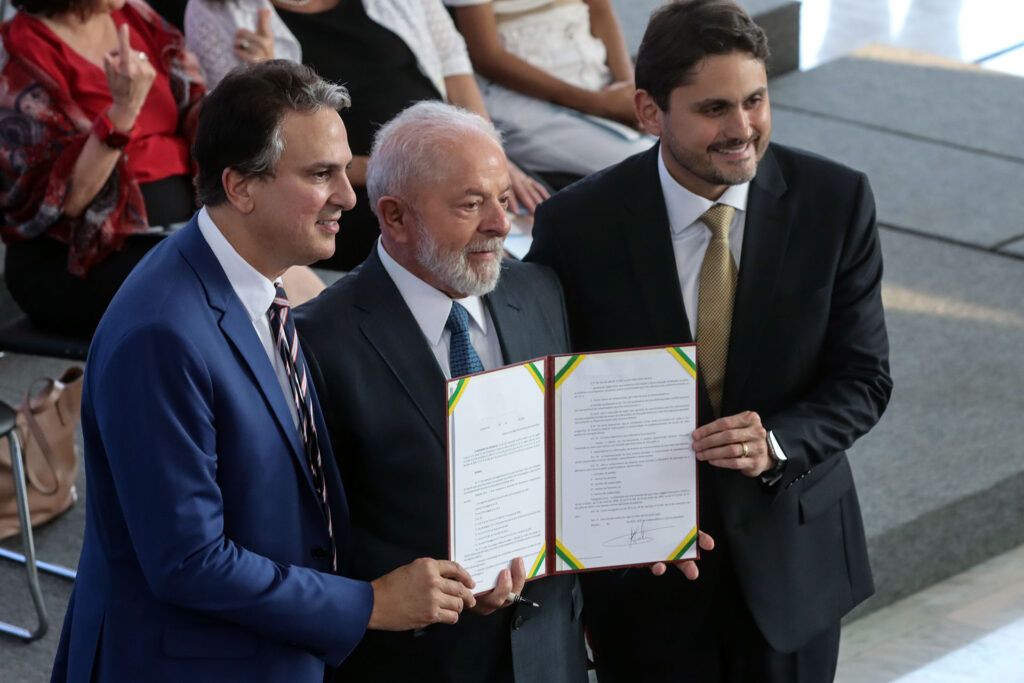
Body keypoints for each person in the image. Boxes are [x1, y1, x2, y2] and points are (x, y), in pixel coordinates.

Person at [50, 61, 477, 683]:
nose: (348, 197)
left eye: (343, 168)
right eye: (319, 175)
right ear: (241, 186)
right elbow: (189, 561)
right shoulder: (162, 334)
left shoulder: (260, 288)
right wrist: (372, 604)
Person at [527, 1, 893, 680]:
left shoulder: (835, 202)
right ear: (648, 111)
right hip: (644, 576)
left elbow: (864, 378)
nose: (743, 128)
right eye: (715, 108)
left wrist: (776, 442)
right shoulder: (577, 227)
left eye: (756, 100)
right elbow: (556, 396)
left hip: (793, 564)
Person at [294, 100, 588, 681]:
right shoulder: (319, 343)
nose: (502, 225)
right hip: (420, 662)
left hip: (549, 655)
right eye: (471, 204)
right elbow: (309, 538)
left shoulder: (539, 291)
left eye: (503, 199)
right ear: (396, 217)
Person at [183, 0, 548, 270]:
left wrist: (489, 161)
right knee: (460, 237)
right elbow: (267, 149)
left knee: (541, 229)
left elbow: (454, 64)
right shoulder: (222, 11)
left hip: (452, 164)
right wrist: (267, 74)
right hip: (352, 188)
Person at [0, 0, 203, 334]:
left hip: (180, 231)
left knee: (271, 271)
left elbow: (198, 108)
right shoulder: (19, 54)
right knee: (211, 288)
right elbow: (67, 200)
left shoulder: (136, 16)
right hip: (77, 258)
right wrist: (122, 113)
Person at [446, 0, 656, 183]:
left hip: (599, 83)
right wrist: (600, 104)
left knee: (677, 144)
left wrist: (629, 91)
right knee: (652, 164)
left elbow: (601, 9)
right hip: (525, 103)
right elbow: (487, 56)